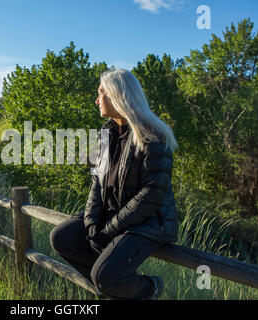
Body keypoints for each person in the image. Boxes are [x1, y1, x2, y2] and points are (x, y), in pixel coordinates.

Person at [49, 68, 179, 300]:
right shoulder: (107, 133)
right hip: (114, 215)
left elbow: (152, 193)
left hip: (148, 222)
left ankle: (148, 288)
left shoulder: (153, 135)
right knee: (61, 237)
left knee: (105, 276)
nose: (96, 100)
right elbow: (97, 182)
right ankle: (112, 288)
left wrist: (109, 230)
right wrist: (91, 223)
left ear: (118, 96)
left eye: (101, 93)